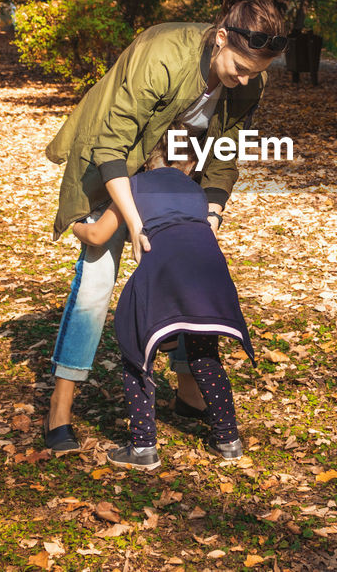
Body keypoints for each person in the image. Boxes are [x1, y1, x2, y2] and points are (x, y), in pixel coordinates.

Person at [42, 0, 287, 453]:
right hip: (115, 159)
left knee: (185, 279)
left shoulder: (251, 78)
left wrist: (211, 214)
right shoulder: (162, 53)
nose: (243, 80)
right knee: (96, 280)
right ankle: (60, 407)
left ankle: (189, 392)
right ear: (220, 39)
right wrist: (132, 222)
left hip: (178, 171)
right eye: (238, 68)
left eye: (255, 72)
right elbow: (112, 145)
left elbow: (225, 150)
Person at [72, 131, 255, 469]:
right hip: (209, 278)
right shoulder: (197, 193)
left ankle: (143, 448)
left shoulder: (134, 187)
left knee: (136, 350)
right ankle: (229, 438)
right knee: (204, 351)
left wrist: (76, 226)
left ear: (147, 158)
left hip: (162, 278)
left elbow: (98, 235)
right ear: (191, 163)